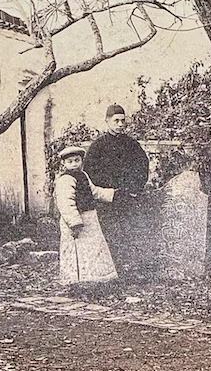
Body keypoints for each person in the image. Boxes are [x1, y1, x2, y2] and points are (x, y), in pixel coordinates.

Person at [83, 104, 150, 279]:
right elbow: (89, 173)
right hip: (107, 200)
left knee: (130, 232)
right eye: (116, 121)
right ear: (107, 121)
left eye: (122, 121)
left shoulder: (132, 144)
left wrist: (134, 188)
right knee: (111, 234)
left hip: (128, 197)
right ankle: (114, 272)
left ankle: (132, 271)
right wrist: (106, 191)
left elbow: (143, 166)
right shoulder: (97, 146)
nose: (120, 124)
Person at [54, 146, 117, 289]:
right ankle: (77, 281)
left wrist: (113, 194)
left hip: (89, 218)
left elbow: (94, 191)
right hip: (75, 221)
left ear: (81, 161)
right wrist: (75, 223)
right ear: (64, 163)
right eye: (70, 161)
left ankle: (94, 279)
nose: (74, 164)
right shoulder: (65, 180)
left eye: (77, 160)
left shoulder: (83, 175)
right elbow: (66, 203)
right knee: (78, 249)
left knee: (94, 248)